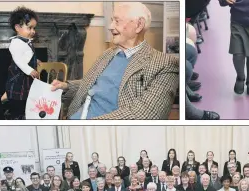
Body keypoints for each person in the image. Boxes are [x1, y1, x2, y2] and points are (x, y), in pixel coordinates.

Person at [51, 2, 179, 120]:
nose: (110, 27)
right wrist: (67, 87)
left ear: (139, 25)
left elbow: (145, 114)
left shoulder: (165, 64)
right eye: (112, 21)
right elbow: (96, 85)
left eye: (117, 21)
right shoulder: (108, 54)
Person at [5, 6, 40, 119]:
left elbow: (27, 55)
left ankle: (24, 116)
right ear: (17, 28)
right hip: (18, 78)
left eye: (34, 28)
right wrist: (30, 70)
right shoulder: (16, 42)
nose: (33, 31)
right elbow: (18, 60)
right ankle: (15, 117)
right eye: (29, 28)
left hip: (25, 78)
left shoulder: (26, 41)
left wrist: (35, 60)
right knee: (18, 101)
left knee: (26, 100)